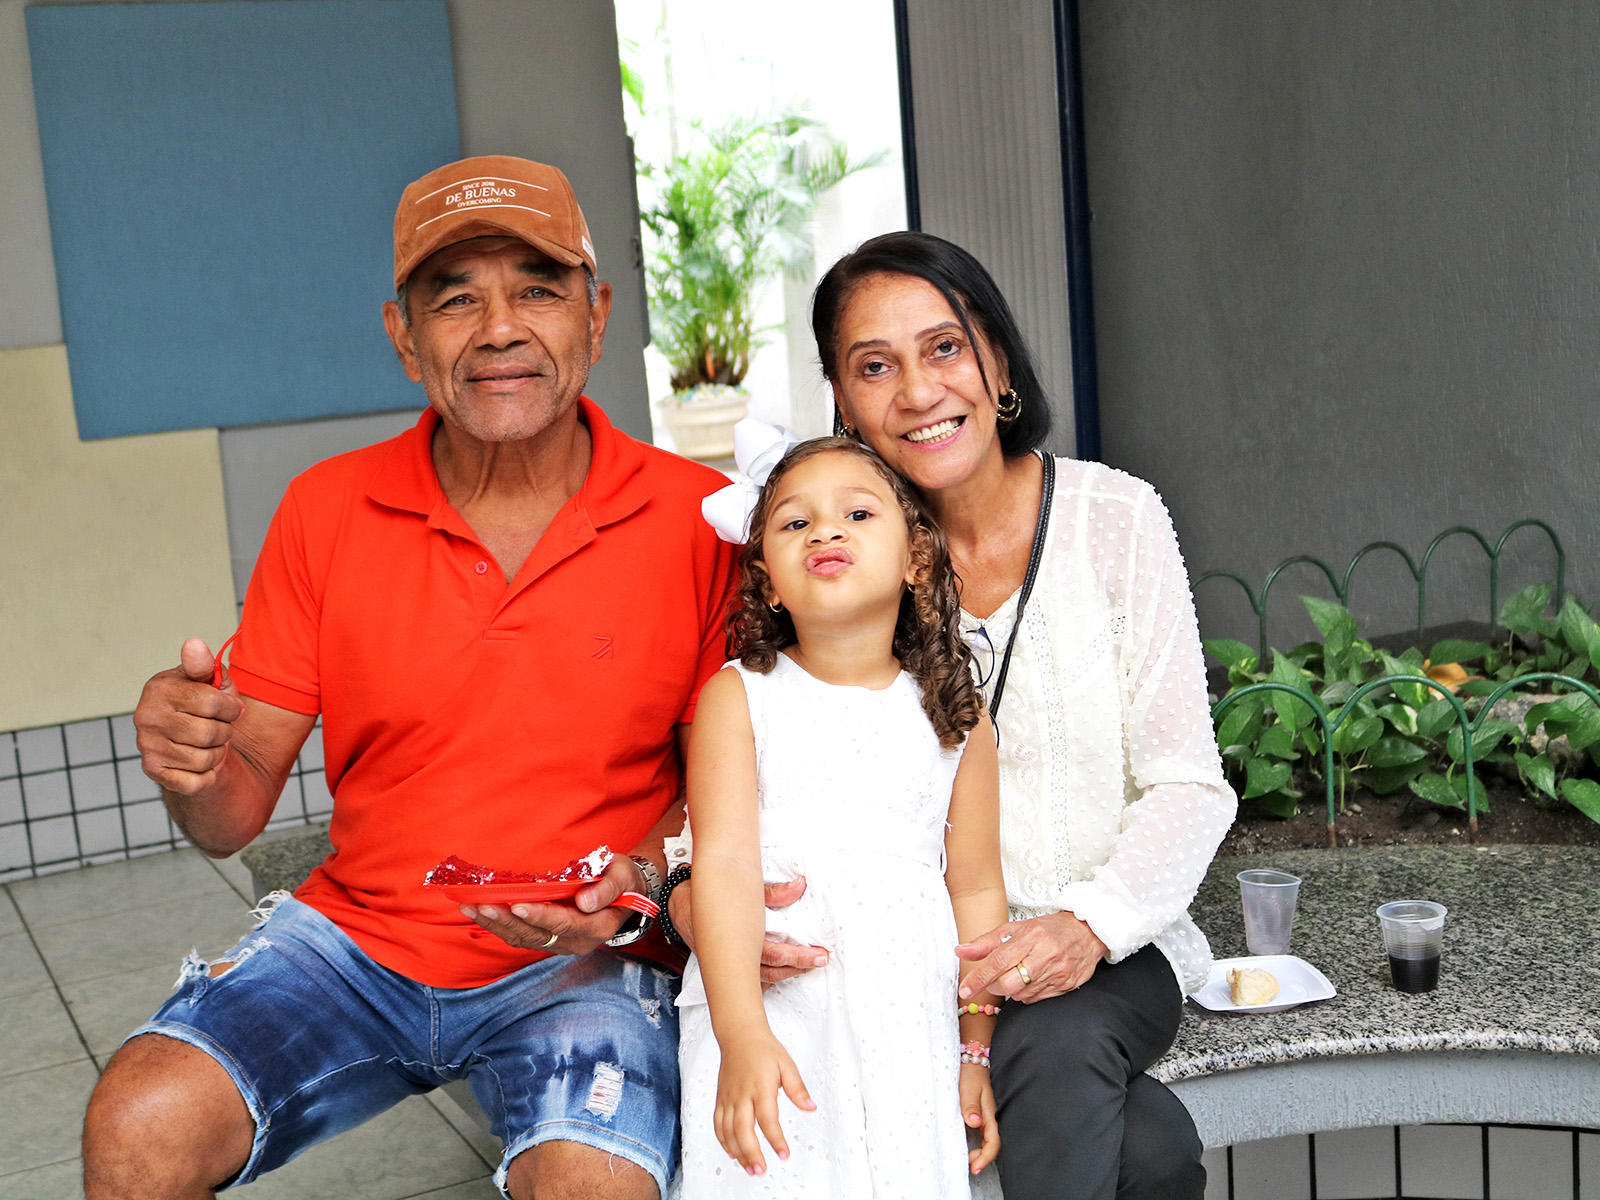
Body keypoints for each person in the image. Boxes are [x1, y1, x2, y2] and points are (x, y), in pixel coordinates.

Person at [80, 156, 737, 1200]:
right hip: (357, 945)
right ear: (403, 336)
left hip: (586, 958)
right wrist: (191, 764)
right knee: (136, 1127)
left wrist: (634, 888)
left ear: (597, 316)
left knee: (594, 1183)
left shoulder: (702, 521)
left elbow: (727, 797)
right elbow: (230, 817)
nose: (499, 329)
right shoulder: (327, 510)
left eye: (537, 289)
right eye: (454, 298)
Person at [663, 231, 1235, 1200]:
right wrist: (691, 902)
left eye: (944, 348)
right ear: (843, 401)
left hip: (1099, 949)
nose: (919, 391)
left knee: (1055, 1049)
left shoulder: (1116, 517)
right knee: (1152, 1149)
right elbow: (750, 782)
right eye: (874, 367)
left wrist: (1087, 924)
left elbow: (1190, 783)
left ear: (996, 363)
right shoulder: (835, 549)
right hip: (901, 965)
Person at [675, 432, 1009, 1197]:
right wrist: (740, 1032)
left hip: (906, 1022)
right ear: (768, 580)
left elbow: (977, 890)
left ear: (915, 559)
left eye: (857, 514)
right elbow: (722, 863)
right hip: (770, 1015)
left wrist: (975, 1049)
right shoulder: (739, 697)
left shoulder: (958, 720)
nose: (825, 531)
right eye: (796, 522)